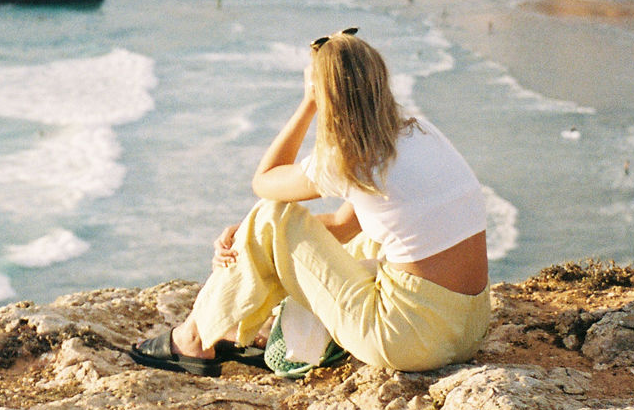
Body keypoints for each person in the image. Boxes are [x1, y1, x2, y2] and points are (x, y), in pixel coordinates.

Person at [129, 28, 491, 376]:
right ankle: (268, 326)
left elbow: (265, 183)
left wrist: (307, 105)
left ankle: (193, 339)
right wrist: (250, 239)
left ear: (326, 95)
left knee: (271, 215)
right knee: (359, 237)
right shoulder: (423, 133)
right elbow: (345, 226)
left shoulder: (351, 160)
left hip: (406, 341)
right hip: (469, 329)